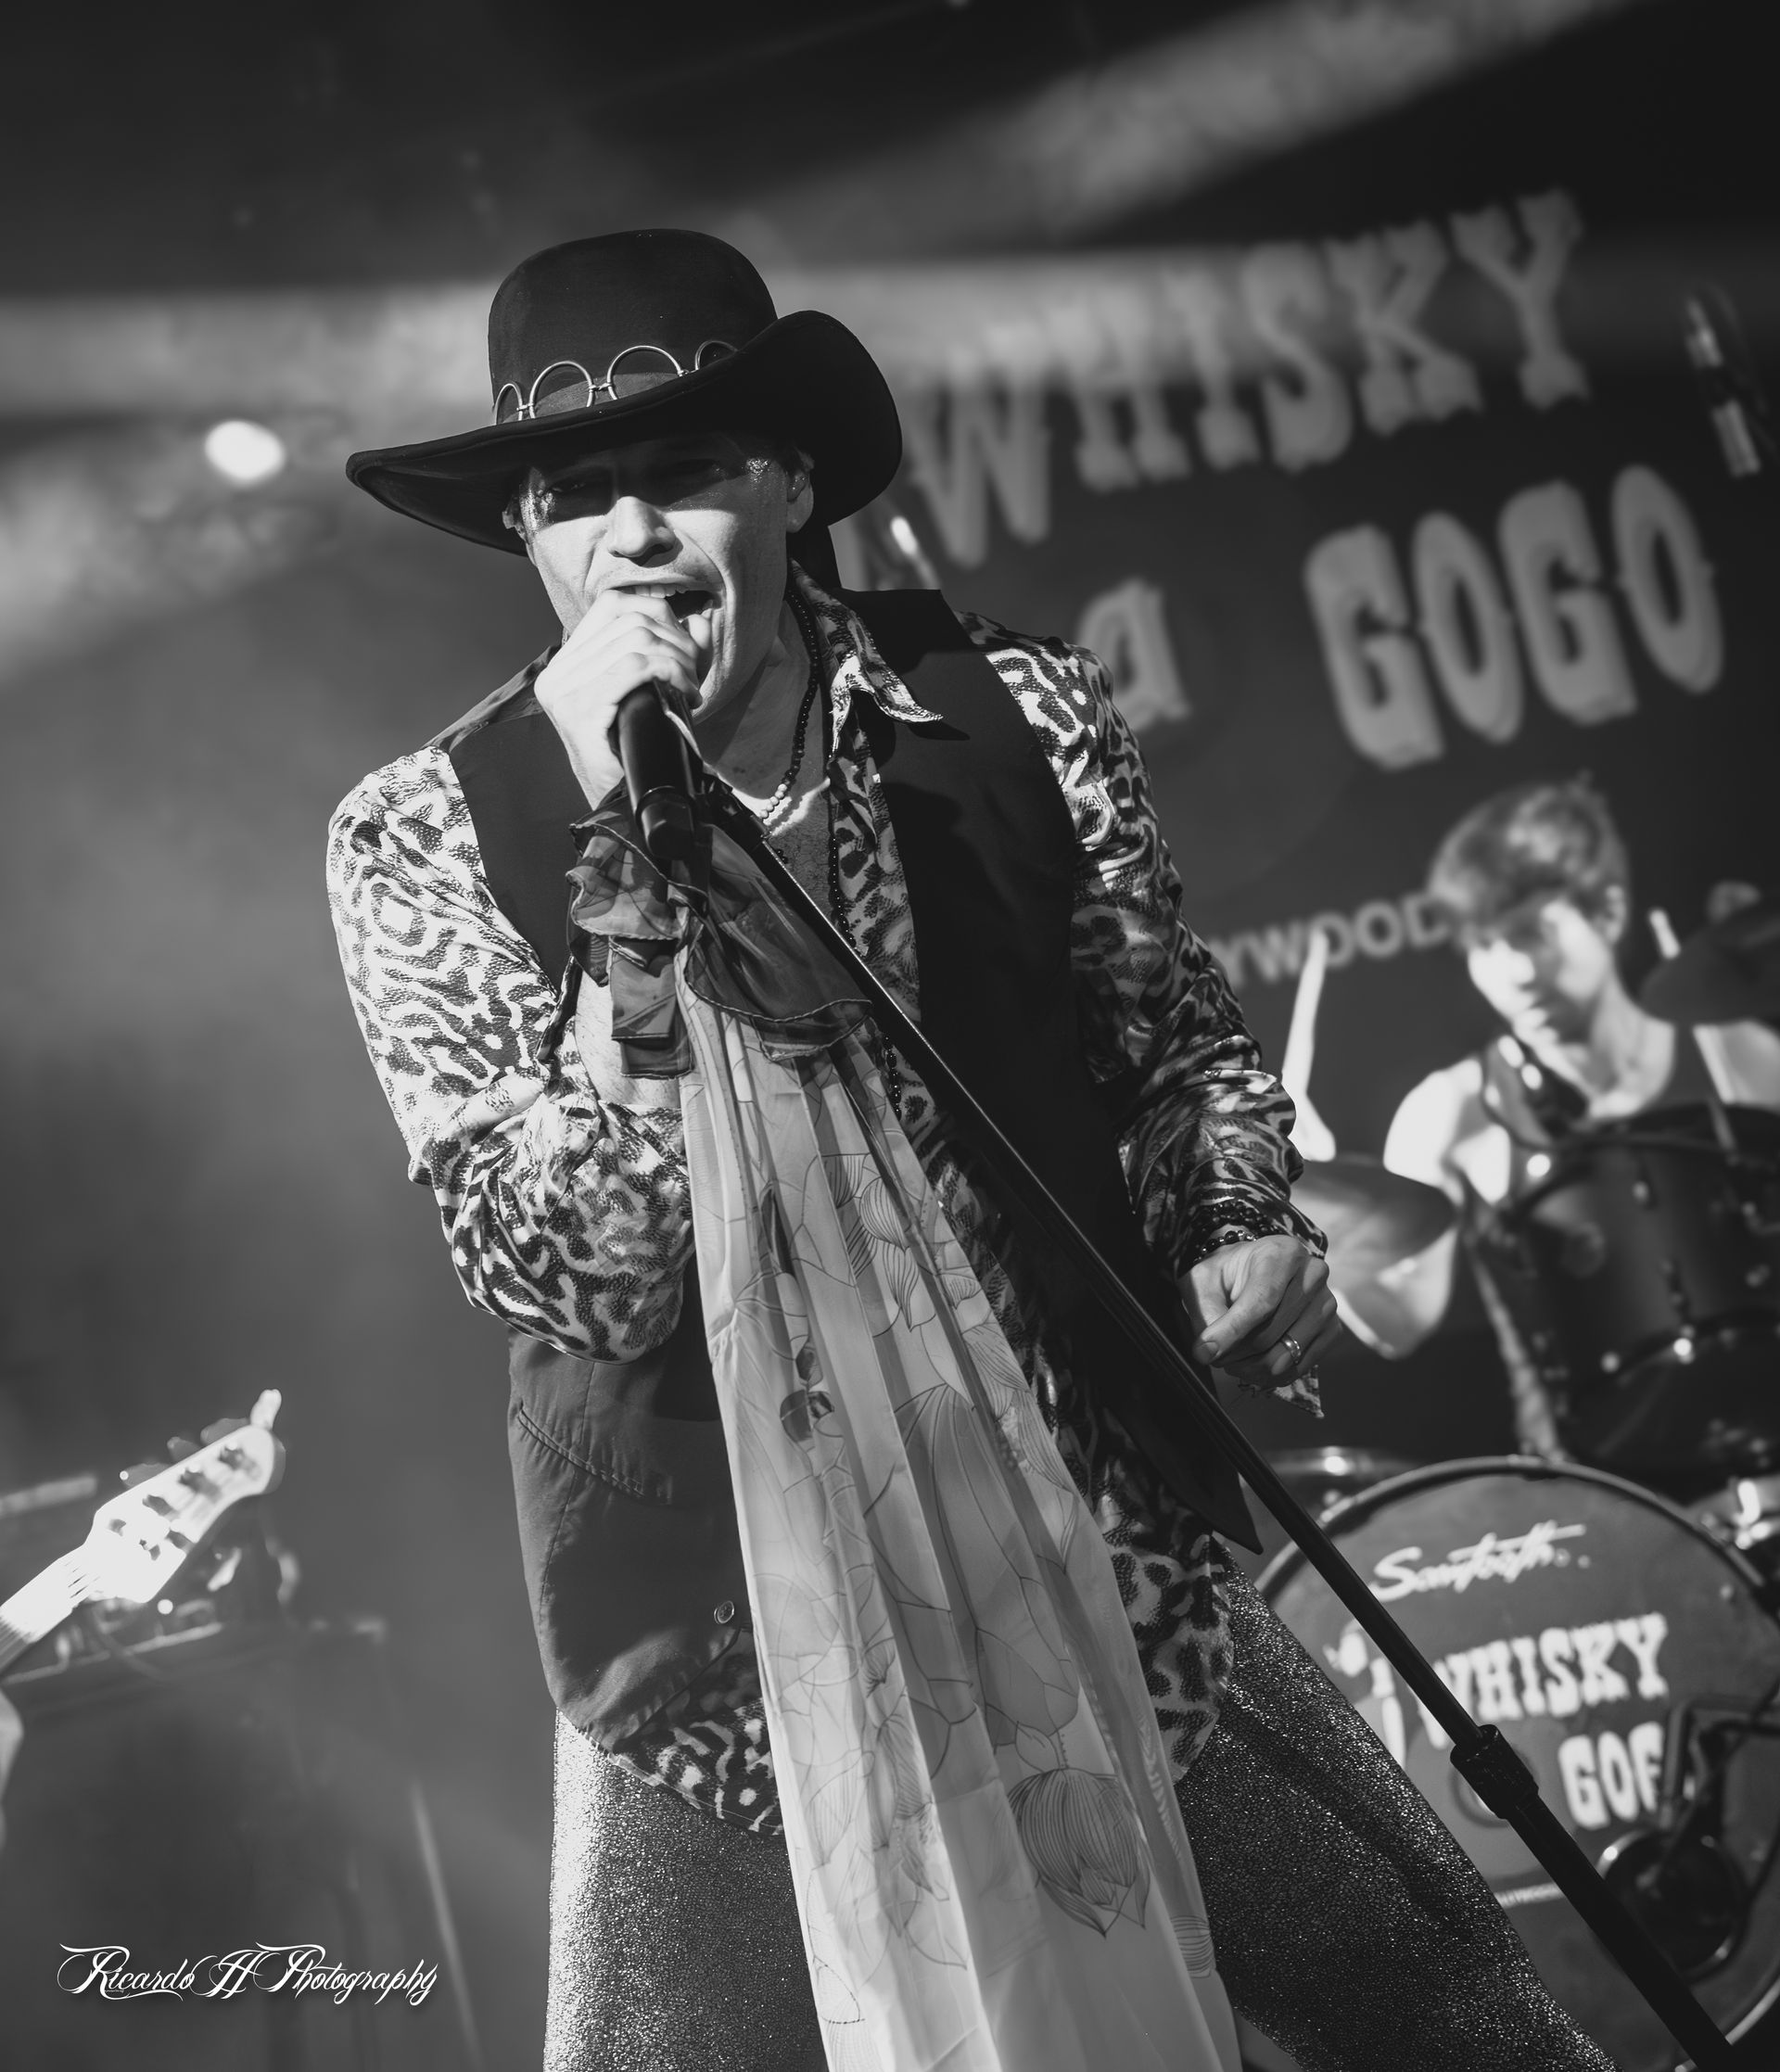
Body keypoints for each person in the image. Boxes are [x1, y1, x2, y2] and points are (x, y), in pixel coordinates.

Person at [328, 231, 1612, 2072]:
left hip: (1088, 1526)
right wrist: (619, 875)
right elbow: (582, 1274)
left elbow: (1169, 1039)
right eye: (577, 498)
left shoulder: (1016, 708)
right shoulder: (424, 836)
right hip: (719, 1618)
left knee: (1452, 2015)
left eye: (683, 472)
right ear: (527, 537)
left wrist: (1233, 1209)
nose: (632, 534)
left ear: (791, 484)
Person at [1379, 777, 1780, 1454]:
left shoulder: (1733, 1053)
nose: (1512, 971)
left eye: (1531, 933)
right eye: (1482, 945)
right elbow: (1401, 1323)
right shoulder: (1449, 1111)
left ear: (1609, 913)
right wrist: (1325, 1213)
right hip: (1587, 1485)